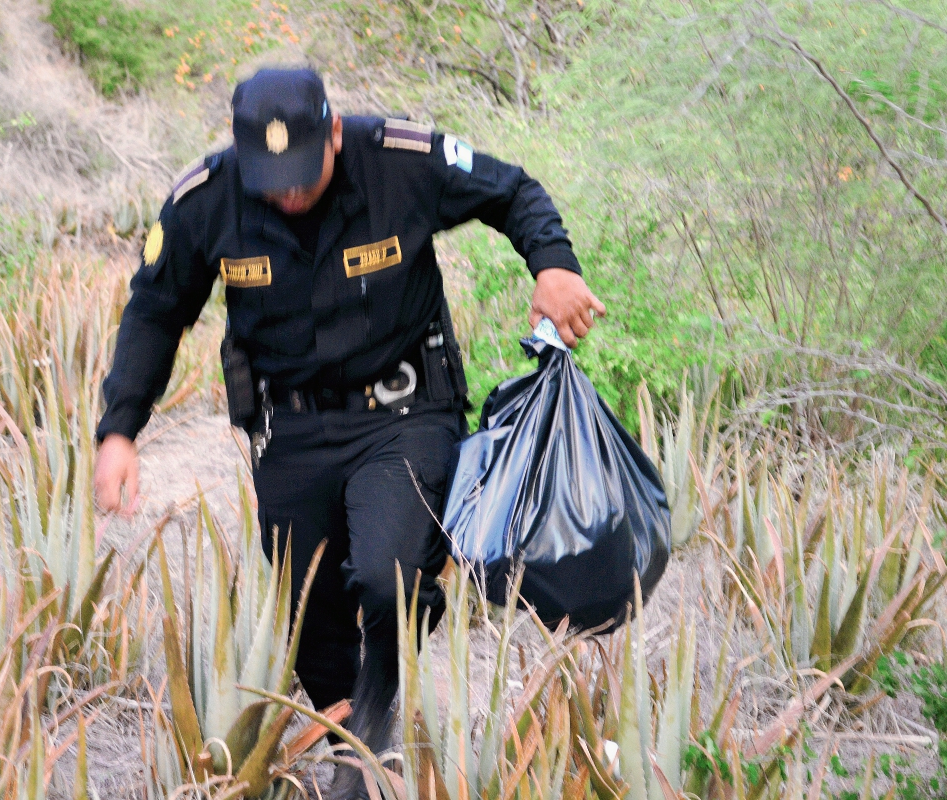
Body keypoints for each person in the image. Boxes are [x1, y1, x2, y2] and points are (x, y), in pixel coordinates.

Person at [93, 67, 605, 795]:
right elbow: (155, 311)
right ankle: (352, 742)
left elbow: (512, 190)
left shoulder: (400, 160)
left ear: (334, 131)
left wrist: (552, 263)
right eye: (273, 180)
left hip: (404, 412)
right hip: (291, 426)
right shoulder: (204, 201)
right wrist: (120, 429)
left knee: (385, 570)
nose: (291, 193)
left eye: (303, 173)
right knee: (308, 602)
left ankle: (372, 721)